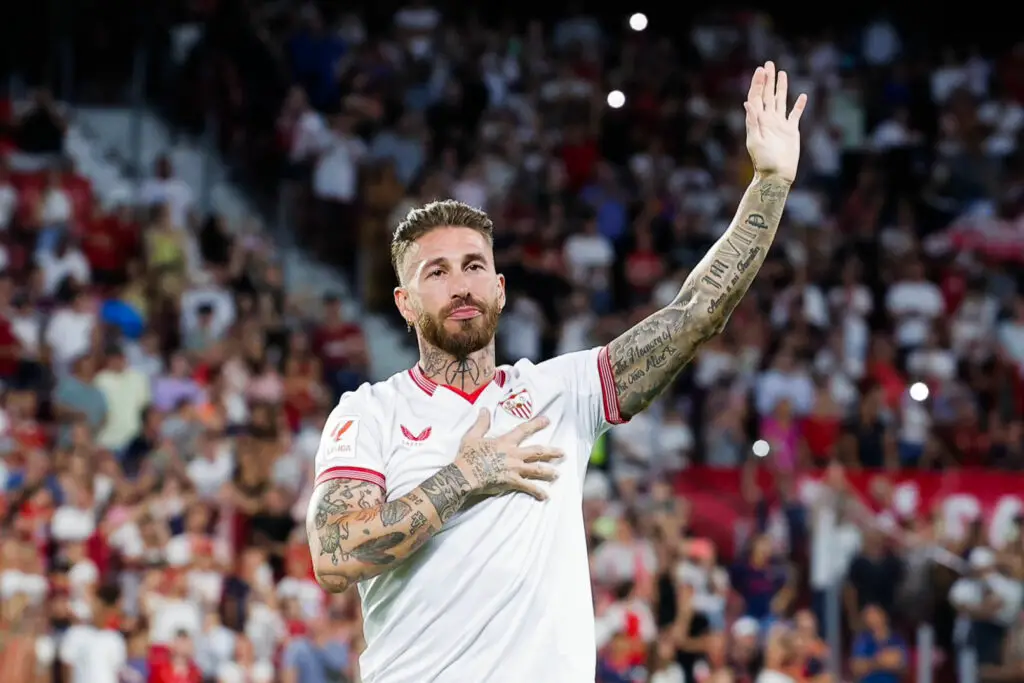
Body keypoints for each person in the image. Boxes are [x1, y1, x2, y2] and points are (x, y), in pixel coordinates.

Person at [305, 61, 807, 682]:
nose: (460, 285)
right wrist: (465, 477)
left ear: (500, 288)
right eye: (436, 272)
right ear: (405, 304)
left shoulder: (562, 391)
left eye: (473, 266)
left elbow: (694, 315)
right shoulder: (369, 412)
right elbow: (334, 555)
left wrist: (770, 183)